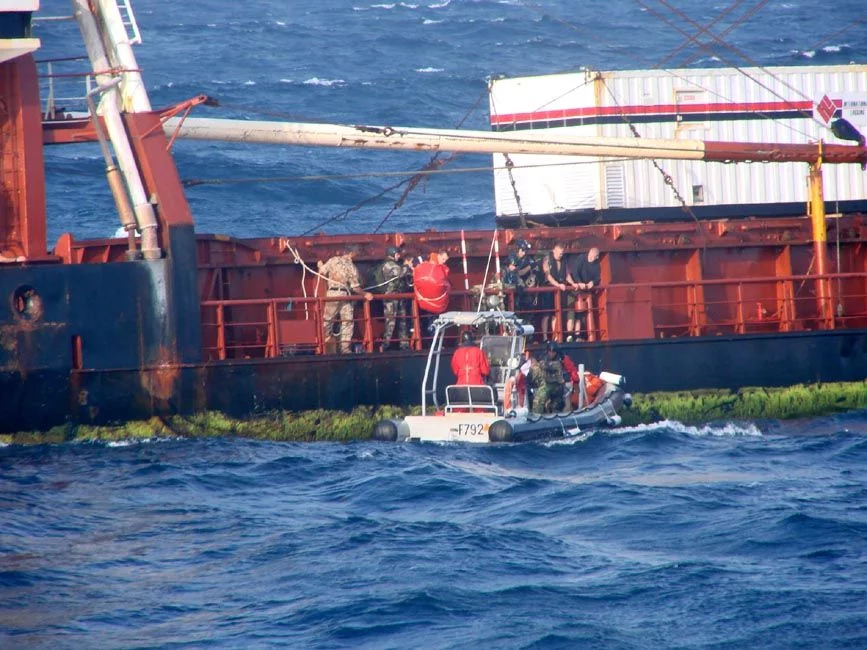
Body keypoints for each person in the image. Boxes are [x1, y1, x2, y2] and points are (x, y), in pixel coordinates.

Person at [318, 245, 373, 353]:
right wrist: (365, 294)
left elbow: (322, 272)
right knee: (347, 321)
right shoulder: (352, 267)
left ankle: (326, 345)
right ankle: (345, 348)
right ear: (352, 253)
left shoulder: (333, 260)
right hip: (346, 295)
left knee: (327, 320)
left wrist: (320, 265)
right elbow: (355, 288)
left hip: (333, 293)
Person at [377, 245, 410, 352]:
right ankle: (385, 345)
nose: (398, 256)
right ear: (392, 254)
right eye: (397, 254)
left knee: (403, 320)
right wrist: (406, 265)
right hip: (391, 297)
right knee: (390, 321)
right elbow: (400, 273)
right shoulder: (389, 265)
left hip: (399, 296)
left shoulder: (396, 264)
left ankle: (404, 344)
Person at [540, 242, 575, 342]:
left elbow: (567, 274)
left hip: (560, 290)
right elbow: (548, 275)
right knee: (546, 315)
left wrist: (573, 283)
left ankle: (555, 337)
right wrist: (557, 284)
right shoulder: (547, 259)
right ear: (554, 250)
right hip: (548, 289)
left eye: (562, 253)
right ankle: (545, 337)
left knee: (556, 314)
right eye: (559, 253)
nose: (561, 255)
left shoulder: (564, 260)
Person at [568, 247, 601, 341]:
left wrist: (592, 283)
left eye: (593, 257)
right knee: (571, 313)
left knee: (581, 314)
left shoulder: (596, 265)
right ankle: (569, 335)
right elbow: (574, 271)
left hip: (585, 291)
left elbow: (597, 278)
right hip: (574, 289)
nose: (591, 258)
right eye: (591, 256)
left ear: (597, 257)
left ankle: (577, 335)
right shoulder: (581, 258)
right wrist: (579, 282)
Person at [528, 342, 566, 414]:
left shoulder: (559, 359)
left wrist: (539, 363)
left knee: (557, 404)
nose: (551, 354)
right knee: (539, 400)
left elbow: (550, 366)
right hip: (546, 383)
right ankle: (537, 415)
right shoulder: (544, 357)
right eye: (550, 352)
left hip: (557, 385)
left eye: (553, 352)